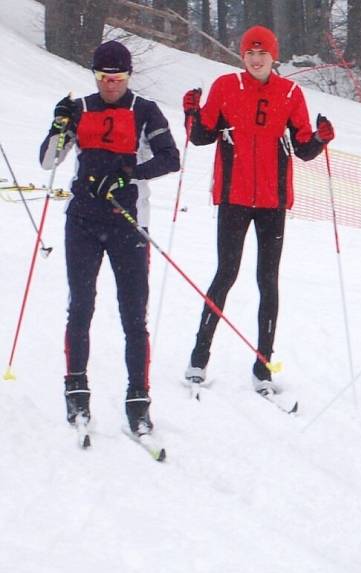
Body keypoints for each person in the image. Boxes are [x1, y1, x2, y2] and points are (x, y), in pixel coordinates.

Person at [182, 25, 334, 396]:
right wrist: (191, 111)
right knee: (226, 274)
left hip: (272, 202)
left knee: (268, 280)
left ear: (273, 57)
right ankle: (198, 357)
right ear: (242, 56)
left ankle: (263, 364)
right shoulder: (224, 87)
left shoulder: (290, 93)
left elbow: (302, 147)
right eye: (250, 53)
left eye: (262, 53)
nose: (255, 59)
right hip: (233, 198)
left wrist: (320, 138)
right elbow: (201, 136)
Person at [39, 40, 180, 435]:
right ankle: (76, 391)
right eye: (104, 78)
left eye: (117, 79)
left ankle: (138, 400)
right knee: (80, 307)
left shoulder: (144, 110)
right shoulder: (81, 108)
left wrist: (126, 173)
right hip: (83, 221)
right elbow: (49, 160)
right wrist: (58, 125)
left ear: (128, 77)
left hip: (129, 222)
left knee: (134, 316)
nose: (111, 86)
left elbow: (170, 158)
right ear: (95, 76)